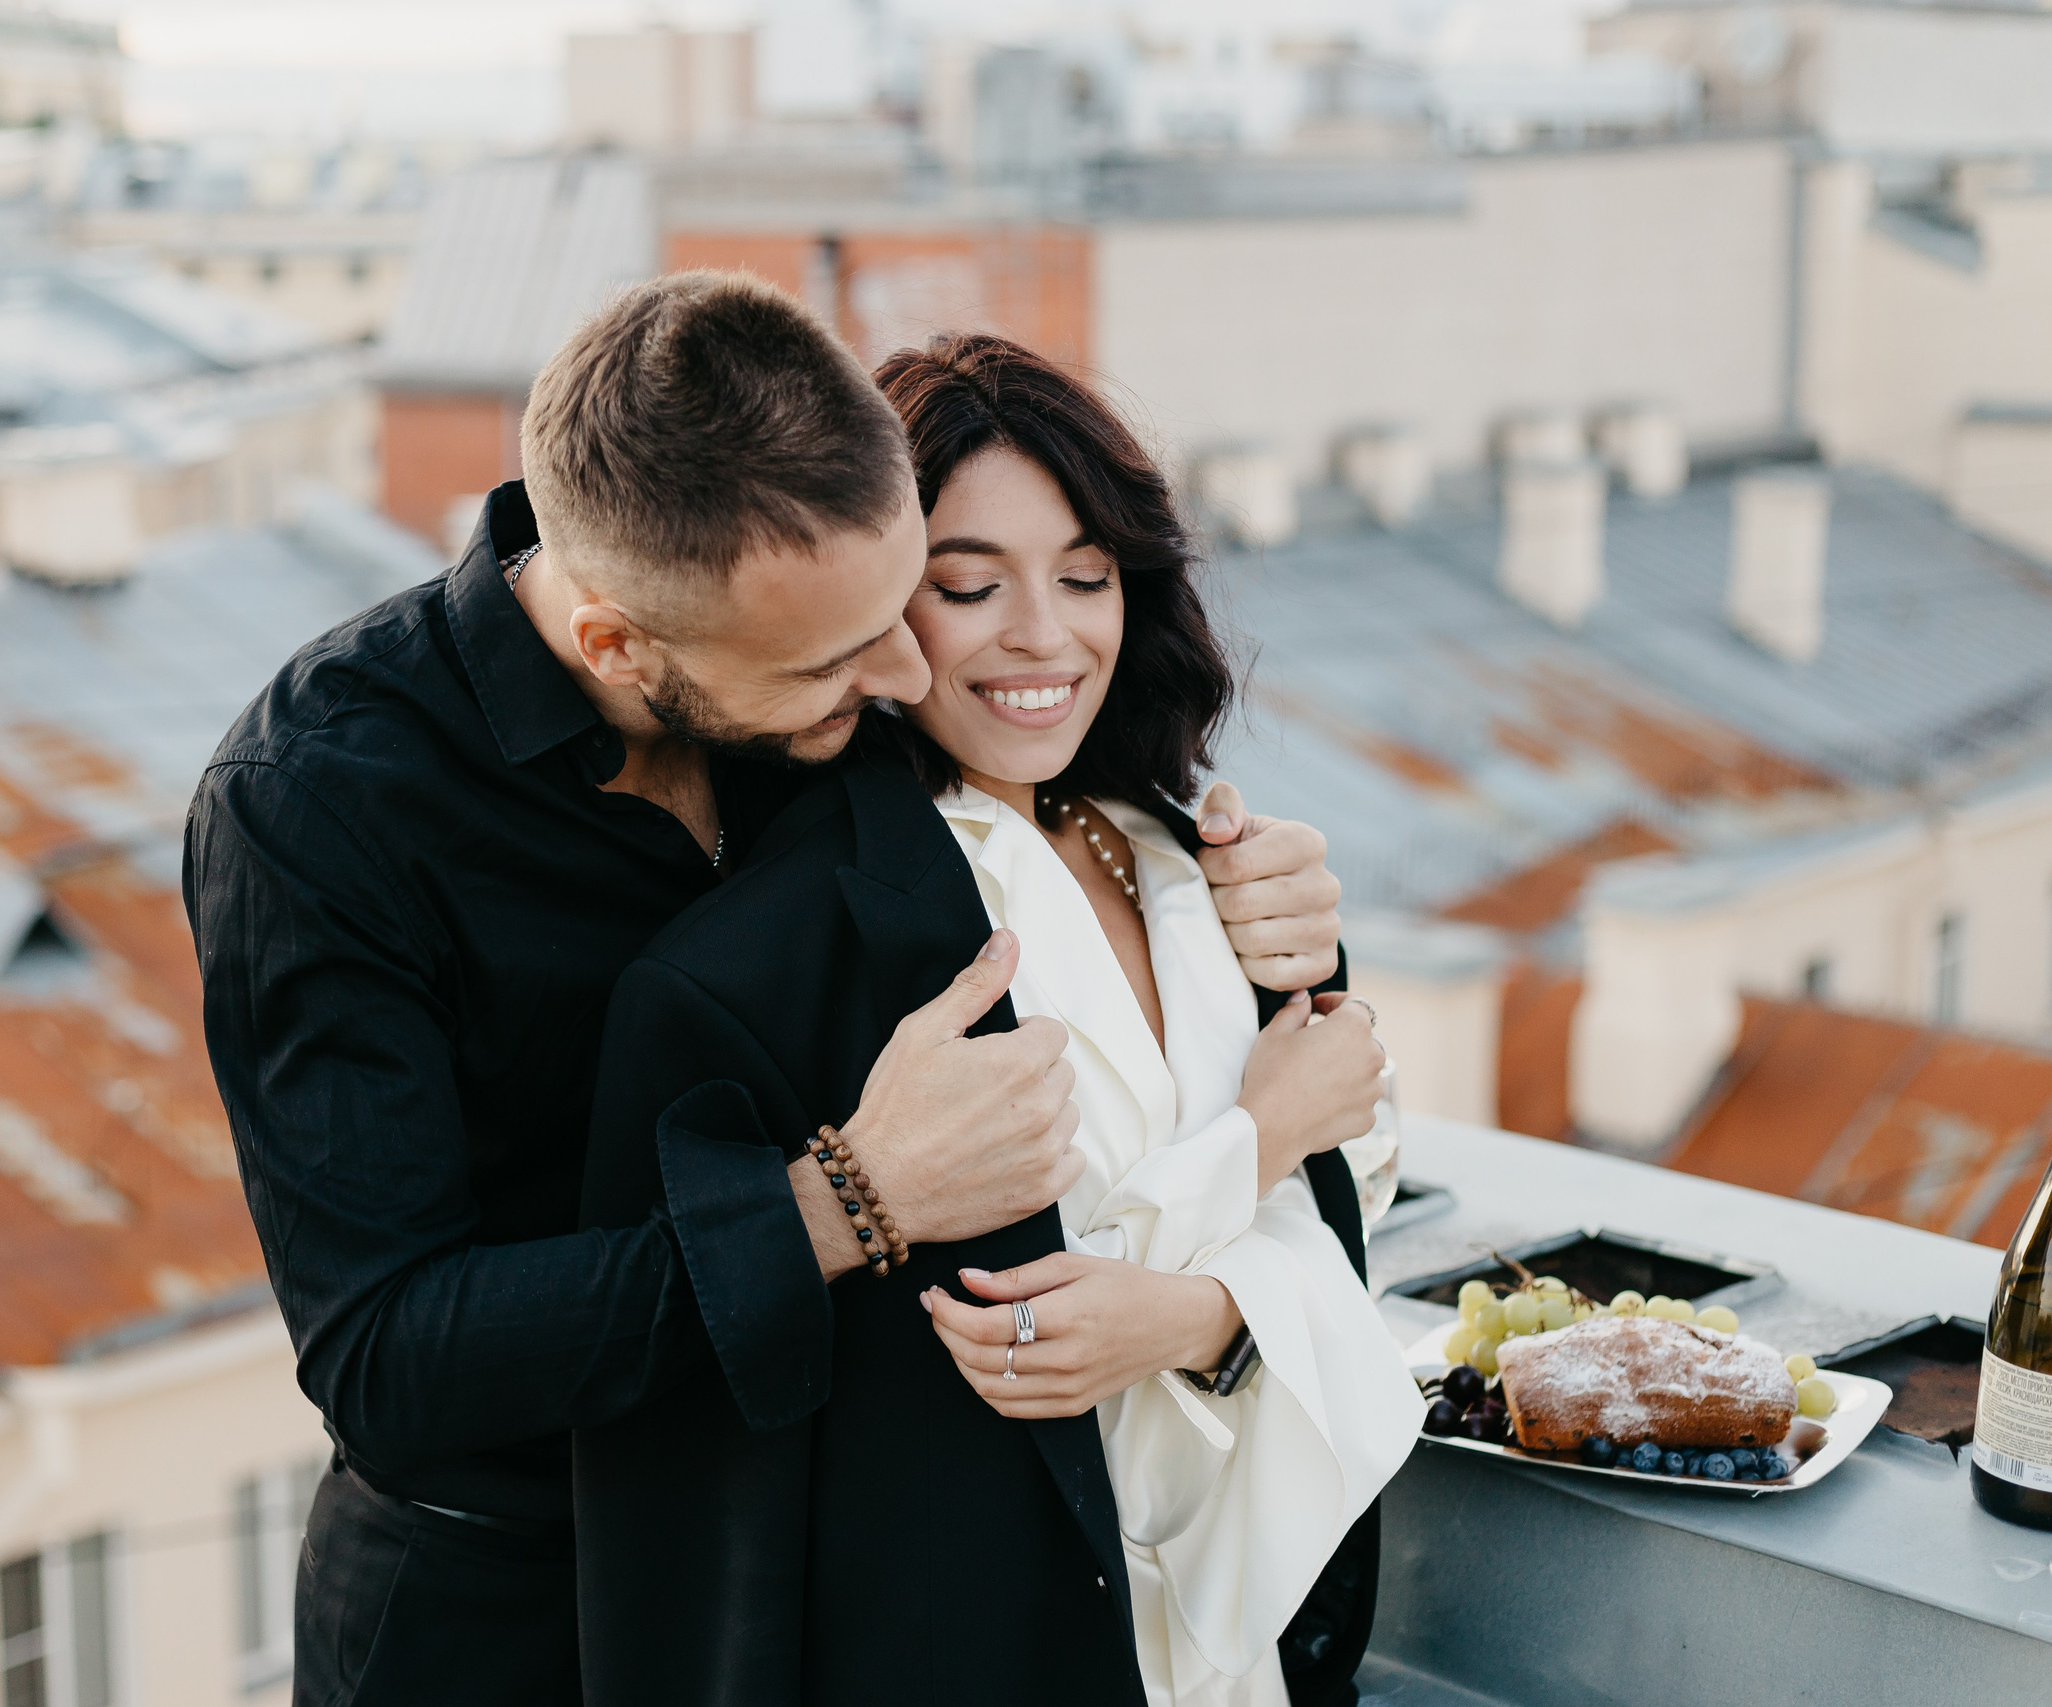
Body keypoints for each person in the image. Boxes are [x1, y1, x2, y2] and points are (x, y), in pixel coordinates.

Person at [184, 275, 1345, 1707]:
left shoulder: (804, 636)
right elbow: (390, 1359)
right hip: (516, 1618)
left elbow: (1066, 807)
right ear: (619, 648)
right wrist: (846, 1200)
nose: (904, 671)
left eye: (908, 599)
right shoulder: (317, 807)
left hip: (835, 1579)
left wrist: (1260, 899)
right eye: (839, 661)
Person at [575, 333, 1421, 1707]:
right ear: (869, 607)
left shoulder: (1193, 861)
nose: (1043, 634)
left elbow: (1345, 1201)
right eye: (968, 587)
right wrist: (1257, 1146)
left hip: (1229, 1660)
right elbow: (987, 1333)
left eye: (1086, 577)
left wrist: (1207, 1316)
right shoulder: (771, 958)